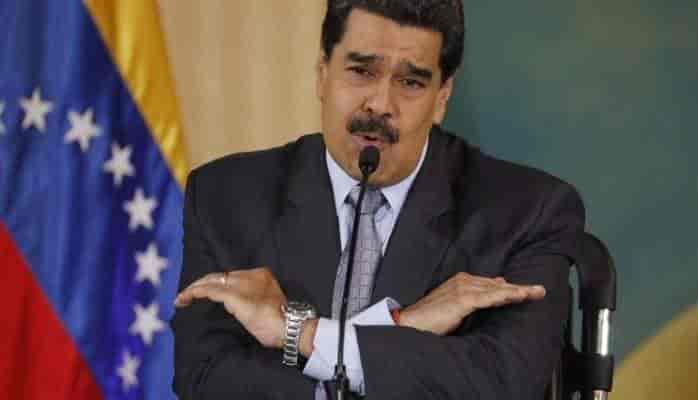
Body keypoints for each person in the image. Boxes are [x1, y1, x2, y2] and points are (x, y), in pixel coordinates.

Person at [171, 1, 585, 399]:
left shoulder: (526, 212)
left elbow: (503, 384)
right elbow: (205, 379)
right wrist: (401, 325)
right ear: (322, 73)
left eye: (411, 82)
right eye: (361, 71)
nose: (381, 104)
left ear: (442, 96)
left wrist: (302, 334)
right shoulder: (228, 196)